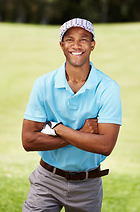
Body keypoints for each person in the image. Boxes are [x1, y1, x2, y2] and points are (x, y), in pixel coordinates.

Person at [22, 18, 122, 212]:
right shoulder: (43, 84)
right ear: (62, 45)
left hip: (88, 185)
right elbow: (28, 141)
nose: (76, 45)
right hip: (47, 180)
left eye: (83, 39)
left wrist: (56, 128)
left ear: (92, 45)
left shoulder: (108, 87)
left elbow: (105, 145)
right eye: (70, 39)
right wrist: (81, 133)